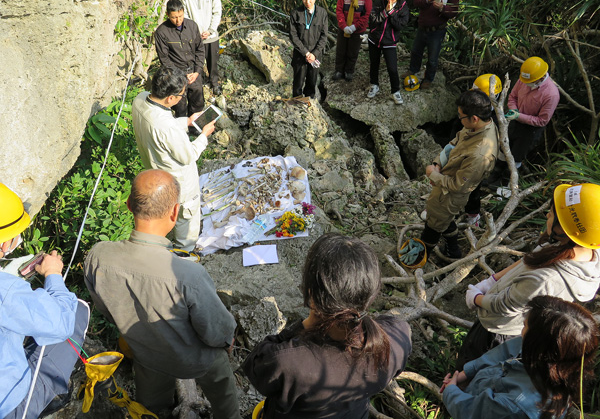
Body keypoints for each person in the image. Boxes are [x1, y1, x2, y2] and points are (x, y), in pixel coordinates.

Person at [84, 169, 241, 418]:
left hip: (146, 354)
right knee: (223, 388)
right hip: (196, 360)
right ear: (175, 212)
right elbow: (217, 332)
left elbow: (104, 305)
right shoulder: (189, 275)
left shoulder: (99, 255)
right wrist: (227, 341)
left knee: (151, 407)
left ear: (128, 205)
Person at [242, 233, 412, 418]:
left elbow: (254, 367)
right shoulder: (397, 337)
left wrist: (304, 325)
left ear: (312, 296)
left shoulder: (287, 362)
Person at [457, 183, 600, 369]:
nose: (548, 215)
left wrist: (476, 298)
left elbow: (504, 306)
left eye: (552, 214)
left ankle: (457, 389)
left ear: (566, 230)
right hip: (507, 320)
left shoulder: (547, 279)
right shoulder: (585, 248)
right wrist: (493, 279)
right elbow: (531, 258)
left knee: (471, 368)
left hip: (500, 330)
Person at [0, 183, 89, 419]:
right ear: (5, 244)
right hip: (8, 406)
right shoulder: (6, 292)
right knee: (77, 312)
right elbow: (61, 324)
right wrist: (53, 276)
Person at [442, 296, 599, 419]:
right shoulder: (556, 360)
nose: (521, 331)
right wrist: (466, 373)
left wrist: (451, 391)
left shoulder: (517, 405)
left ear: (538, 343)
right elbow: (505, 351)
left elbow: (470, 411)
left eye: (525, 326)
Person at [131, 65, 216, 251]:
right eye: (181, 96)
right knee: (186, 226)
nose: (181, 98)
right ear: (170, 98)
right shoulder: (166, 127)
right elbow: (188, 156)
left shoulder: (139, 100)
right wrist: (204, 135)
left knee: (164, 213)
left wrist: (187, 121)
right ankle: (184, 257)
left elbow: (162, 126)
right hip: (179, 183)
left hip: (155, 173)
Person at [420, 90, 498, 258]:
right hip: (444, 184)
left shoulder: (480, 154)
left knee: (432, 228)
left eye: (461, 116)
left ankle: (420, 257)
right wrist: (437, 164)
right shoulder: (476, 127)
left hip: (449, 195)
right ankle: (452, 249)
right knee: (442, 219)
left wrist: (432, 174)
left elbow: (459, 186)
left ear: (474, 118)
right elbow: (455, 142)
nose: (459, 120)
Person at [487, 57, 560, 187]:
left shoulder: (551, 94)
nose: (526, 84)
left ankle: (506, 183)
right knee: (504, 147)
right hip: (514, 120)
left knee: (516, 156)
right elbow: (513, 96)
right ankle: (494, 175)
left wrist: (519, 116)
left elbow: (542, 121)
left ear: (542, 77)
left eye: (530, 82)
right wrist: (514, 111)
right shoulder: (524, 80)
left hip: (530, 129)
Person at [402, 0, 459, 90]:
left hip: (437, 30)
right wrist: (427, 0)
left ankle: (428, 79)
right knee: (416, 51)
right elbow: (416, 1)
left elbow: (454, 11)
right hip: (423, 27)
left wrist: (442, 8)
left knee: (432, 58)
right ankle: (413, 70)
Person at [155, 0, 205, 117]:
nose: (178, 20)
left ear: (183, 12)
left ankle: (196, 129)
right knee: (179, 105)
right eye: (174, 17)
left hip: (193, 71)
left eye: (180, 16)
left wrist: (197, 71)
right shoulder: (162, 32)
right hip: (176, 74)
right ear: (167, 15)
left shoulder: (192, 26)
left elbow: (200, 50)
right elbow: (164, 58)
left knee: (197, 101)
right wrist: (180, 75)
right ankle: (182, 130)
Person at [367, 0, 409, 105]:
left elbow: (400, 25)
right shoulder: (379, 3)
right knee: (374, 63)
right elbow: (372, 21)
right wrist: (385, 12)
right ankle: (374, 84)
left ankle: (395, 91)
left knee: (392, 68)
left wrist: (392, 13)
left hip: (390, 42)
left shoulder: (403, 7)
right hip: (374, 39)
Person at [180, 0, 223, 95]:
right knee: (194, 62)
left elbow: (217, 12)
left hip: (211, 35)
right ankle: (197, 86)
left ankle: (214, 83)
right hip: (194, 36)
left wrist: (210, 30)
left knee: (213, 61)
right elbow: (185, 15)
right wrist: (194, 32)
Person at [289, 0, 328, 99]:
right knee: (298, 82)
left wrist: (314, 54)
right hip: (300, 55)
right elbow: (293, 35)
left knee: (312, 82)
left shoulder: (322, 13)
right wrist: (305, 52)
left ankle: (309, 103)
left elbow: (324, 36)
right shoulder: (296, 13)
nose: (308, 2)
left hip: (315, 56)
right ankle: (297, 102)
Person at [332, 0, 372, 82]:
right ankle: (339, 70)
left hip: (358, 29)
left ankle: (349, 71)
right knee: (341, 50)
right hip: (343, 27)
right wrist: (344, 26)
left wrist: (354, 27)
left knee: (353, 51)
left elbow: (366, 14)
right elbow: (339, 10)